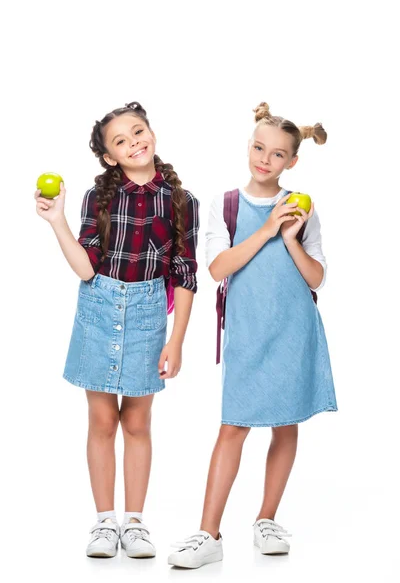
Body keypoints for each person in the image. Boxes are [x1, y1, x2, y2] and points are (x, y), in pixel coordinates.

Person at [168, 102, 337, 569]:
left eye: (278, 154)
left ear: (292, 162)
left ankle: (266, 519)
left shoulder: (302, 209)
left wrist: (290, 238)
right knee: (233, 427)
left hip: (293, 329)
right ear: (249, 147)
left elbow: (316, 278)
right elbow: (219, 267)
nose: (265, 159)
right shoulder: (225, 205)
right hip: (247, 332)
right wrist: (266, 229)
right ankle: (209, 533)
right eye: (259, 148)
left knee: (287, 423)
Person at [34, 101, 199, 559]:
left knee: (139, 422)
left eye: (138, 131)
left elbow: (185, 273)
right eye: (121, 141)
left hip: (149, 312)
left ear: (151, 132)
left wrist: (177, 339)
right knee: (103, 420)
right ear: (110, 157)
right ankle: (105, 522)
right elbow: (86, 270)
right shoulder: (99, 197)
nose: (134, 142)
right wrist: (57, 221)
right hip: (100, 304)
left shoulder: (183, 201)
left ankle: (136, 523)